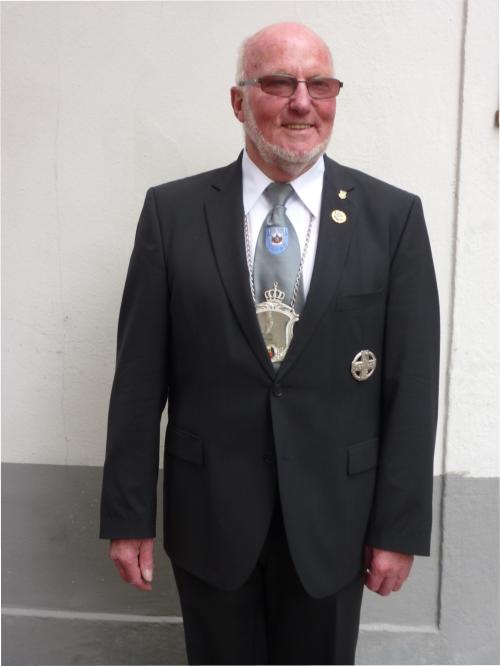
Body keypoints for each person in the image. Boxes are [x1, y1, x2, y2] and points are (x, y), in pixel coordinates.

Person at [100, 21, 440, 665]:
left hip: (336, 524)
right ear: (239, 101)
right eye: (280, 83)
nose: (302, 102)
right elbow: (139, 379)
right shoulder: (173, 214)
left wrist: (398, 528)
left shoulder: (392, 218)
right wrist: (127, 516)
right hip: (211, 518)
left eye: (320, 85)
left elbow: (412, 387)